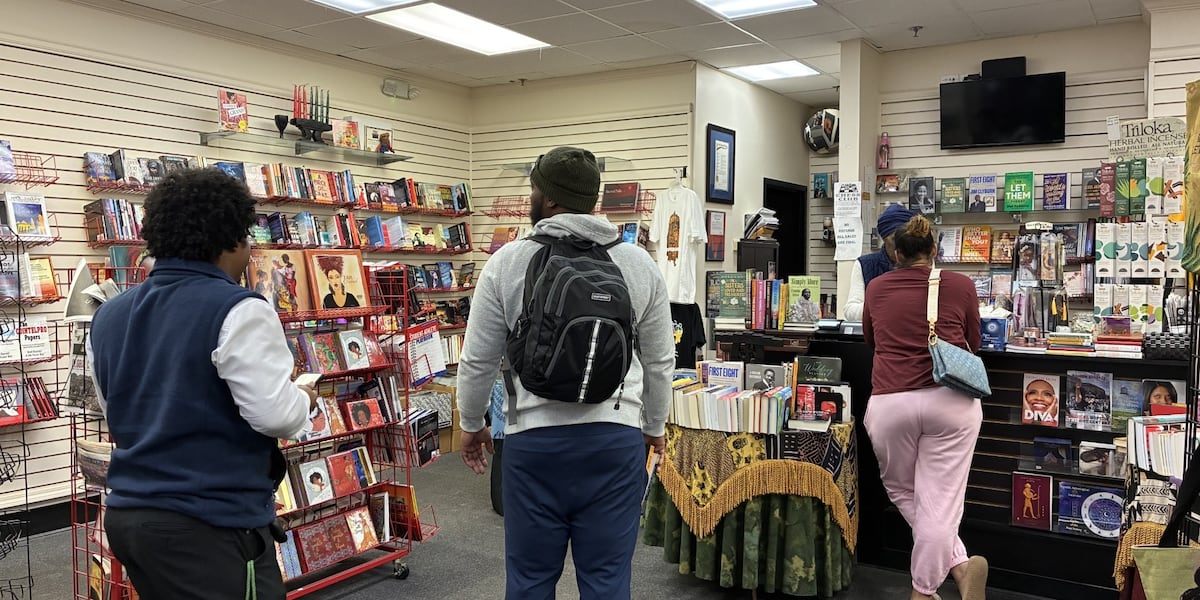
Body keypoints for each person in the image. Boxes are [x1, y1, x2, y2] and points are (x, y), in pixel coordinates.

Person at [86, 168, 317, 600]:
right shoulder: (239, 308)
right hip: (210, 522)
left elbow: (113, 404)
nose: (251, 250)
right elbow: (276, 416)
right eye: (247, 237)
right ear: (230, 239)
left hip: (129, 516)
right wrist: (303, 396)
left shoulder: (109, 314)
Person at [454, 146, 674, 599]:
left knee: (531, 581)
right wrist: (653, 426)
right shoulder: (638, 263)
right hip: (615, 443)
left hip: (533, 445)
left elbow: (477, 360)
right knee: (607, 582)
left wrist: (470, 424)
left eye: (534, 189)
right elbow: (658, 360)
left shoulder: (507, 262)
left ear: (549, 199)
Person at [861, 214, 987, 600]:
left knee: (903, 491)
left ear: (894, 252)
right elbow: (974, 341)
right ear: (935, 251)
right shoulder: (961, 284)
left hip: (890, 403)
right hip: (951, 401)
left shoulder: (877, 287)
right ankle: (947, 574)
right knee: (940, 501)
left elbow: (871, 339)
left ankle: (934, 585)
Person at [843, 204, 915, 321]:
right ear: (884, 238)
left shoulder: (921, 262)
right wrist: (886, 305)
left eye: (905, 237)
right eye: (894, 238)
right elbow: (850, 311)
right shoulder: (864, 264)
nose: (901, 243)